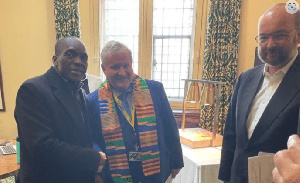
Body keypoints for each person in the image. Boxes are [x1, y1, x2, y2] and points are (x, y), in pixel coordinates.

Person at [218, 3, 300, 183]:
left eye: (279, 35)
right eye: (263, 37)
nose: (269, 44)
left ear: (297, 35)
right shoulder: (245, 79)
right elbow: (231, 136)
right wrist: (225, 178)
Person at [88, 40, 184, 183]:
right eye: (115, 67)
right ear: (103, 68)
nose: (122, 72)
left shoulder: (155, 90)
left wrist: (176, 162)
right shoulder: (93, 101)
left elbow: (170, 127)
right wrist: (97, 167)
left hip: (156, 174)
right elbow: (92, 138)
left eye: (126, 65)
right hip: (115, 176)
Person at [14, 36, 106, 183]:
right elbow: (42, 146)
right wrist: (93, 158)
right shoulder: (32, 90)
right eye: (70, 54)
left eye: (84, 58)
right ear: (55, 59)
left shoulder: (80, 92)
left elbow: (84, 139)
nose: (79, 62)